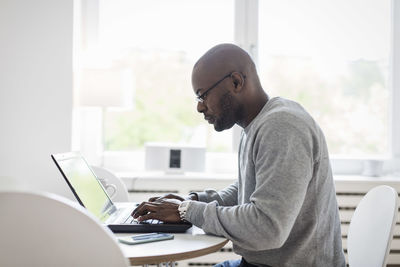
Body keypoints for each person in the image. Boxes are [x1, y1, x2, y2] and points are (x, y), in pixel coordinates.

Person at [132, 43, 346, 267]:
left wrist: (187, 212)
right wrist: (192, 201)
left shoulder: (282, 126)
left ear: (236, 82)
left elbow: (267, 228)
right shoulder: (259, 124)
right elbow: (251, 189)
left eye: (202, 95)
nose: (199, 108)